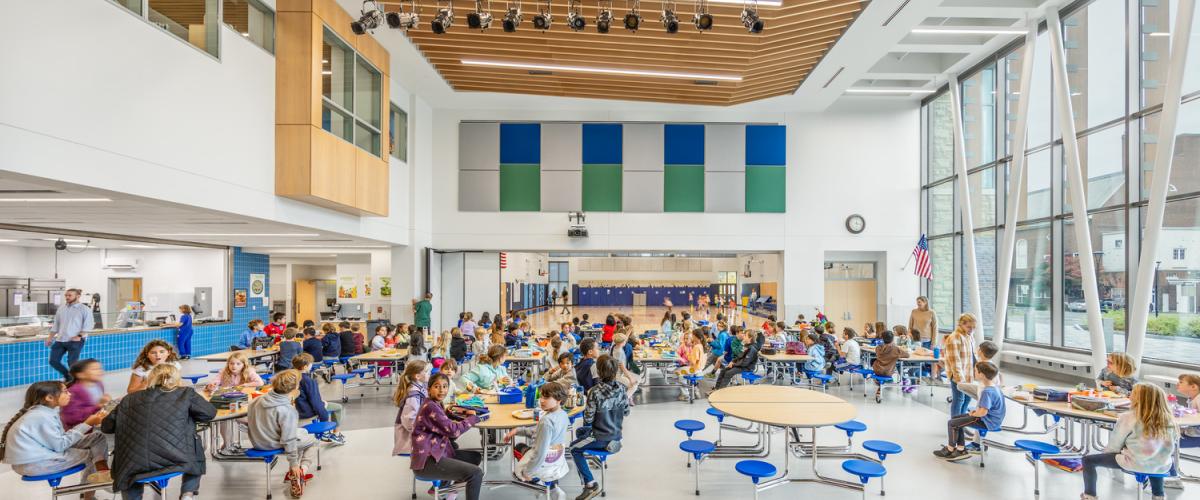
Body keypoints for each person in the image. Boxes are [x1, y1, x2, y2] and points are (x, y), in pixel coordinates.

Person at [103, 364, 216, 500]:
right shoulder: (185, 393)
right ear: (176, 378)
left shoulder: (128, 399)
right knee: (196, 449)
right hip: (177, 458)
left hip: (133, 465)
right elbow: (209, 413)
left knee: (129, 467)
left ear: (151, 379)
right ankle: (187, 493)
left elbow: (106, 426)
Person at [2, 380, 110, 494]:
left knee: (97, 437)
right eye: (65, 392)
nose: (69, 394)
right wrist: (87, 423)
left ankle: (102, 471)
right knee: (93, 455)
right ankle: (88, 495)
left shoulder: (46, 412)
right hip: (34, 464)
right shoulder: (41, 416)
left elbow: (59, 439)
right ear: (49, 397)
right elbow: (60, 445)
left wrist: (87, 423)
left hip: (39, 457)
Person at [1080, 383, 1178, 500]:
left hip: (1134, 463)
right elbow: (1170, 446)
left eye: (1133, 393)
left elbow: (1114, 446)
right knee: (1155, 460)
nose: (1130, 395)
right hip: (1162, 465)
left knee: (1088, 461)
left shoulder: (1128, 417)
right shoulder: (1169, 420)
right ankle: (1158, 495)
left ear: (1139, 398)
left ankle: (1089, 496)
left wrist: (1107, 453)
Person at [411, 373, 484, 500]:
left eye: (445, 386)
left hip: (437, 453)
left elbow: (442, 420)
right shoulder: (431, 407)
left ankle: (446, 493)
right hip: (427, 462)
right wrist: (472, 419)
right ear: (429, 389)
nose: (442, 390)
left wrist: (454, 414)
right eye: (437, 386)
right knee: (476, 474)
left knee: (475, 457)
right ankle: (443, 491)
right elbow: (453, 431)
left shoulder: (434, 403)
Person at [248, 369, 314, 498]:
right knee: (312, 441)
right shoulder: (287, 410)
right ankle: (300, 472)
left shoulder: (258, 400)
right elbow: (288, 440)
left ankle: (294, 471)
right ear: (294, 387)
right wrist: (293, 463)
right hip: (273, 444)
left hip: (257, 441)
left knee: (302, 432)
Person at [571, 355, 628, 500]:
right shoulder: (622, 388)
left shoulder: (594, 392)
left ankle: (590, 484)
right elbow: (627, 412)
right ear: (615, 371)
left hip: (599, 435)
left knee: (573, 448)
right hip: (616, 433)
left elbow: (588, 419)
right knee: (580, 432)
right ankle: (608, 445)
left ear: (598, 371)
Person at [504, 381, 570, 499]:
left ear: (559, 400)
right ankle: (553, 488)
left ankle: (538, 483)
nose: (542, 400)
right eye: (541, 397)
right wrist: (519, 430)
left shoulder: (546, 421)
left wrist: (528, 472)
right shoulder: (563, 415)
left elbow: (540, 452)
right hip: (557, 459)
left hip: (544, 462)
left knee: (518, 449)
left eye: (547, 397)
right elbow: (539, 434)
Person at [933, 361, 1006, 461]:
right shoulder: (994, 388)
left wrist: (973, 413)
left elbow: (982, 412)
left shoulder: (987, 391)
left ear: (982, 374)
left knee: (952, 423)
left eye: (975, 371)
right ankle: (960, 449)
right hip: (990, 419)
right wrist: (974, 413)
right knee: (956, 419)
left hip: (987, 422)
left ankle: (950, 449)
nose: (974, 373)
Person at [204, 350, 263, 453]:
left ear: (244, 365)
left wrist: (245, 385)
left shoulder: (249, 371)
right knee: (224, 419)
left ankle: (260, 442)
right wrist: (211, 385)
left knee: (247, 420)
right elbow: (215, 382)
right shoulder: (224, 372)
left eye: (238, 364)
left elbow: (260, 382)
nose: (234, 366)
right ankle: (227, 444)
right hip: (227, 402)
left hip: (242, 402)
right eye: (231, 363)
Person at [46, 288, 94, 380]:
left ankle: (75, 381)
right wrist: (50, 337)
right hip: (60, 339)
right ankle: (68, 376)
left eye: (70, 295)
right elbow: (56, 324)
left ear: (78, 296)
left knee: (72, 363)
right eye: (66, 295)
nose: (67, 297)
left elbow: (88, 325)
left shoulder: (85, 309)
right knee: (53, 361)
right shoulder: (61, 308)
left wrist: (79, 336)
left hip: (75, 340)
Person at [392, 360, 430, 456]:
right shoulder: (414, 396)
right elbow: (409, 421)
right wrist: (422, 431)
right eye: (426, 371)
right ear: (417, 376)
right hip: (409, 441)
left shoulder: (419, 387)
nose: (429, 373)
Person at [944, 313, 978, 417]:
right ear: (961, 324)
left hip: (969, 374)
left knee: (968, 398)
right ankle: (954, 425)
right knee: (959, 399)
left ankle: (961, 423)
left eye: (973, 327)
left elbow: (974, 355)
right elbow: (955, 361)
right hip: (958, 376)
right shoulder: (954, 338)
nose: (971, 329)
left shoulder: (970, 336)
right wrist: (960, 380)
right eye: (968, 327)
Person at [62, 359, 111, 429]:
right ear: (80, 375)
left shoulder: (99, 385)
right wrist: (97, 406)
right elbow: (70, 417)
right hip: (78, 430)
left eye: (100, 368)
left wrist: (105, 402)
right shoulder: (74, 391)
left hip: (93, 424)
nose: (100, 371)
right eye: (94, 369)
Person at [871, 331, 910, 400]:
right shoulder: (895, 349)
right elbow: (907, 355)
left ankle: (879, 382)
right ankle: (903, 381)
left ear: (882, 339)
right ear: (893, 339)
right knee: (896, 366)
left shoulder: (878, 348)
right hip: (887, 372)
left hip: (877, 370)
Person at [609, 334, 640, 404]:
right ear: (622, 342)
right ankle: (623, 401)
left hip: (619, 373)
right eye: (625, 341)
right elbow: (622, 367)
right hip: (618, 375)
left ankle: (625, 398)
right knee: (634, 385)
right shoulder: (619, 352)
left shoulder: (615, 347)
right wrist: (630, 378)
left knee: (638, 378)